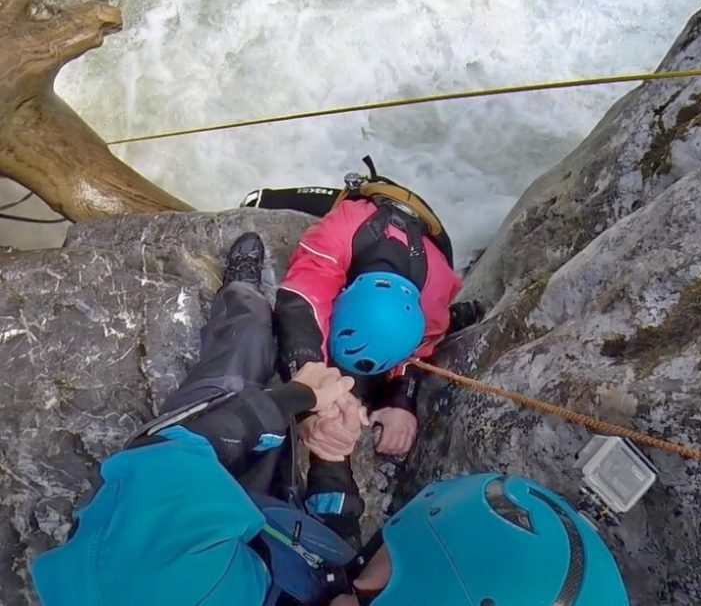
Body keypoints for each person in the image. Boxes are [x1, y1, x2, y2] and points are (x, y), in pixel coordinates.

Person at [30, 233, 631, 606]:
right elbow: (333, 560)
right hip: (273, 543)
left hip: (199, 518)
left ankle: (241, 295)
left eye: (386, 550)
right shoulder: (367, 589)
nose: (367, 554)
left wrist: (295, 396)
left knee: (235, 370)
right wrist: (330, 458)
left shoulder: (170, 591)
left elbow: (170, 454)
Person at [245, 158, 483, 542]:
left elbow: (419, 353)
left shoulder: (434, 300)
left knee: (443, 322)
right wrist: (310, 380)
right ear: (343, 294)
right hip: (367, 210)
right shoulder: (338, 231)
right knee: (256, 200)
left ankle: (463, 315)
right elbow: (300, 301)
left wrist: (400, 401)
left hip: (429, 244)